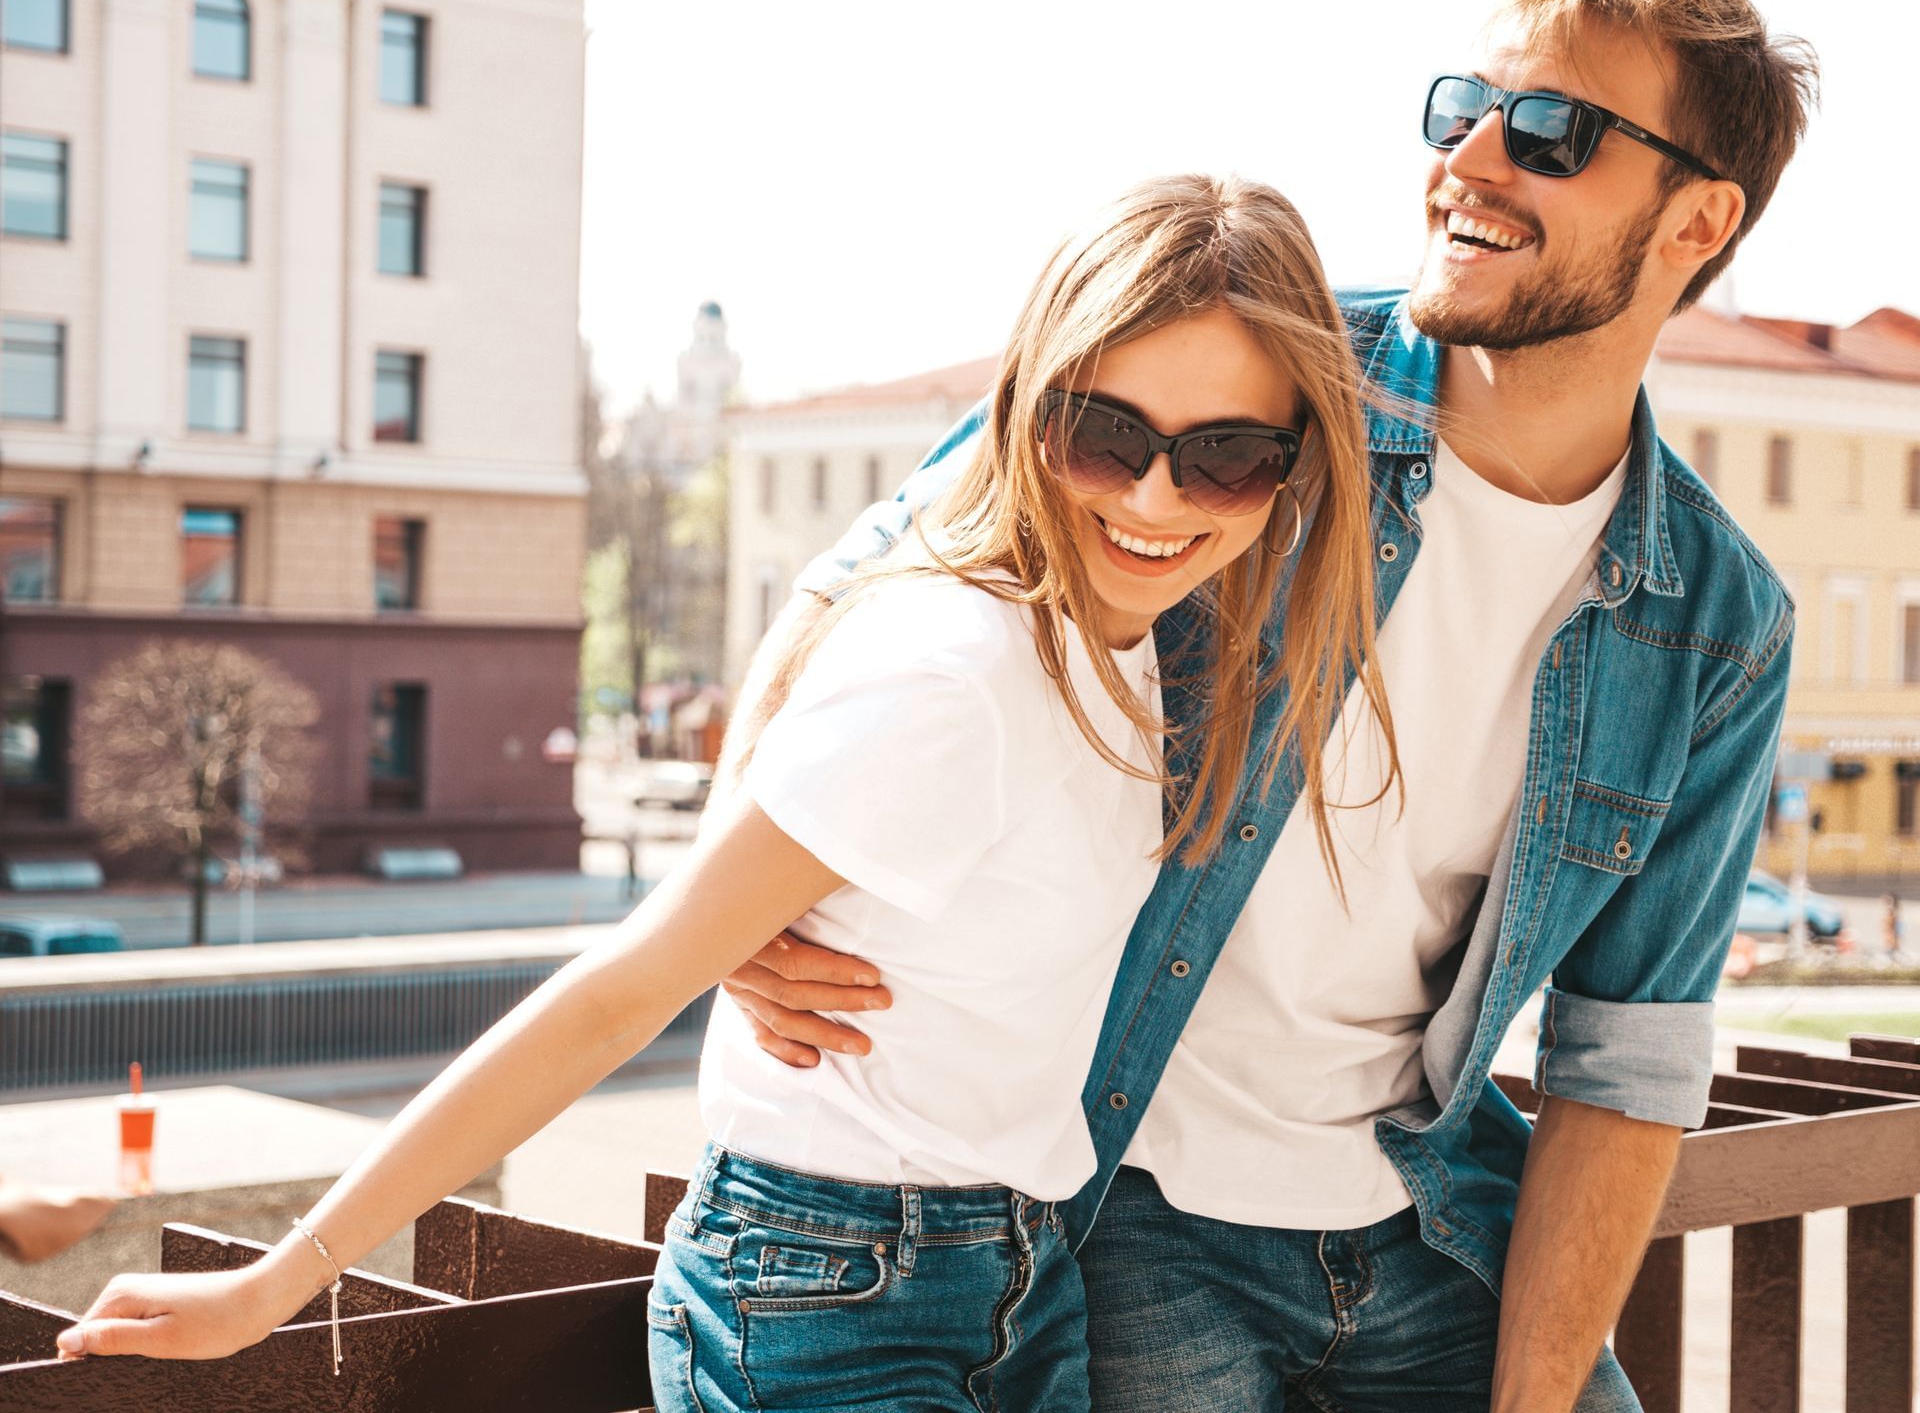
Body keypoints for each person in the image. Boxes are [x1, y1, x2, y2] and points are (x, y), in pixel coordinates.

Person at [53, 174, 1393, 1413]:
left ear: (1292, 468)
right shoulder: (953, 667)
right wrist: (275, 1284)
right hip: (830, 1289)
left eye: (1225, 455)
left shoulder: (1132, 640)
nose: (1158, 497)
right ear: (1029, 414)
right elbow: (619, 991)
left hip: (1019, 1277)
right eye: (1105, 435)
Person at [720, 0, 1818, 1408]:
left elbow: (1626, 1057)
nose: (1470, 160)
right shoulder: (1271, 382)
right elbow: (867, 574)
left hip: (1430, 1219)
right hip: (1133, 1202)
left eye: (1551, 130)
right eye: (1464, 110)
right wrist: (725, 896)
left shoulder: (1719, 624)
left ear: (1697, 221)